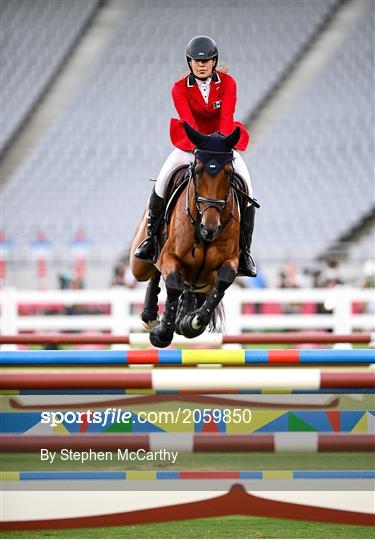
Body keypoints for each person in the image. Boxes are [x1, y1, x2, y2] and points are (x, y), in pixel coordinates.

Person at [135, 35, 257, 276]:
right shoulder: (179, 88)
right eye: (196, 61)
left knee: (248, 189)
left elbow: (226, 118)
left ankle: (244, 253)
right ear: (189, 63)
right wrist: (202, 144)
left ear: (214, 61)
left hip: (221, 145)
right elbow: (188, 122)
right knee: (162, 181)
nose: (201, 65)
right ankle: (150, 240)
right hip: (190, 143)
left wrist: (219, 146)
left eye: (207, 61)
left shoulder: (228, 83)